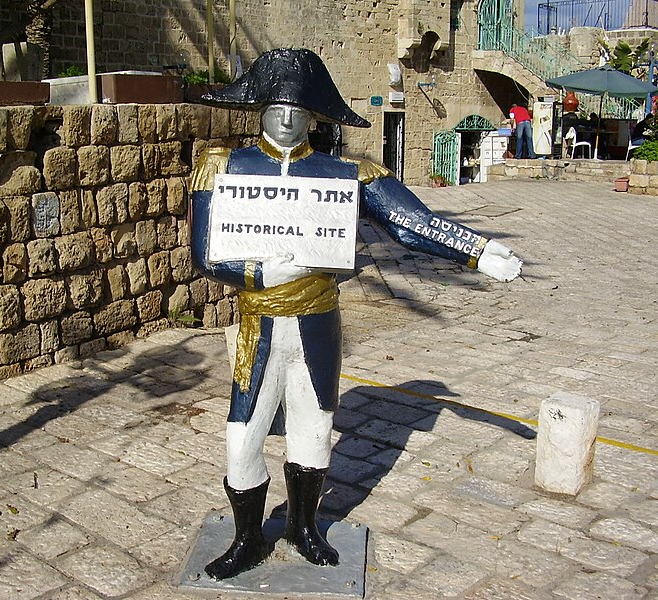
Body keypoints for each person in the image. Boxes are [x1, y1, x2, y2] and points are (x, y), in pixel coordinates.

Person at [190, 48, 523, 581]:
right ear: (257, 108)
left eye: (300, 108)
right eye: (276, 104)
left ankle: (303, 525)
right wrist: (257, 273)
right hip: (259, 321)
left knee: (315, 430)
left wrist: (477, 250)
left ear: (317, 115)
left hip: (318, 322)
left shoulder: (343, 172)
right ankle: (247, 536)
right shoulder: (224, 167)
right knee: (242, 437)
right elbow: (205, 254)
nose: (286, 116)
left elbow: (408, 220)